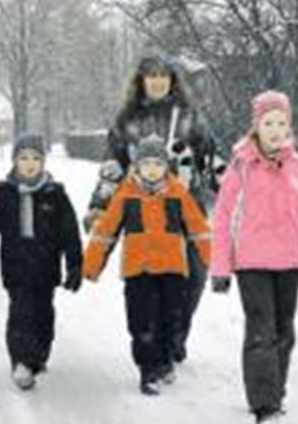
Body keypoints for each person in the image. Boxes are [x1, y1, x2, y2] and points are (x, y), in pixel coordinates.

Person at [209, 90, 298, 424]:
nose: (276, 129)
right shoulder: (241, 167)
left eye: (282, 122)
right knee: (261, 330)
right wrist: (220, 269)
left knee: (284, 331)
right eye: (268, 123)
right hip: (251, 262)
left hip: (291, 261)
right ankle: (264, 405)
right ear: (256, 126)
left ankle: (274, 391)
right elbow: (223, 218)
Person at [83, 56, 217, 364]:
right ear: (141, 81)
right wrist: (99, 205)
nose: (157, 81)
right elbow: (112, 166)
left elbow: (210, 160)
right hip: (143, 210)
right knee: (150, 283)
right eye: (151, 76)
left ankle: (176, 335)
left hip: (187, 206)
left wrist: (237, 195)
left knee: (194, 277)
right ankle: (155, 344)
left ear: (172, 80)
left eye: (163, 76)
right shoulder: (127, 120)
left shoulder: (189, 116)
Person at [82, 134, 212, 395]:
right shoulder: (126, 194)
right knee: (141, 321)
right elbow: (106, 232)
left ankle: (165, 361)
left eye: (158, 164)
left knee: (170, 318)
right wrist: (91, 266)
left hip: (173, 270)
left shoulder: (178, 193)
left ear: (166, 167)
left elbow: (198, 229)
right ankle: (147, 369)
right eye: (146, 164)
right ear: (136, 167)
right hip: (138, 270)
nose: (152, 170)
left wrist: (213, 261)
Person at [0, 133, 82, 391]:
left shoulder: (55, 195)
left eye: (35, 158)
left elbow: (69, 233)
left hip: (46, 269)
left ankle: (39, 353)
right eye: (24, 158)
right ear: (15, 161)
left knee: (43, 315)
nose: (29, 163)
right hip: (16, 269)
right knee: (21, 314)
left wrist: (75, 263)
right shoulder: (5, 193)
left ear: (44, 162)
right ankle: (21, 361)